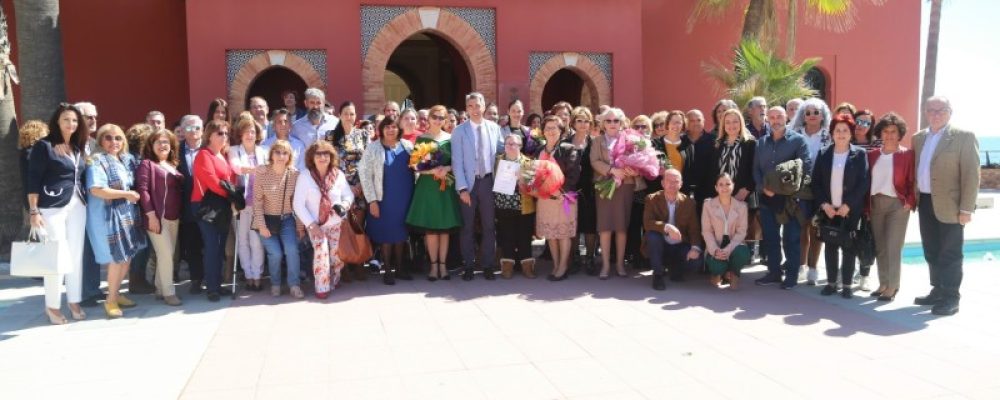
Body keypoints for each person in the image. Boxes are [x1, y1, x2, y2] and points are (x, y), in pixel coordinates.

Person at [912, 96, 980, 316]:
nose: (936, 114)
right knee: (931, 249)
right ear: (925, 112)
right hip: (924, 201)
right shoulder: (918, 138)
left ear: (950, 112)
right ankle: (938, 289)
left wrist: (966, 208)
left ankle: (951, 297)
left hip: (951, 205)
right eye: (931, 110)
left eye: (941, 110)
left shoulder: (964, 137)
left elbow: (972, 174)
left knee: (950, 253)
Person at [27, 104, 90, 324]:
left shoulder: (77, 146)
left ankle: (74, 301)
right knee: (56, 256)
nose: (71, 124)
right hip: (52, 206)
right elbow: (32, 178)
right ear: (57, 121)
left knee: (75, 255)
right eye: (66, 120)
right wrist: (34, 210)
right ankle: (52, 306)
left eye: (74, 120)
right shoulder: (43, 146)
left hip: (77, 205)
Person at [85, 124, 148, 318]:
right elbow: (96, 189)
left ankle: (117, 293)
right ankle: (110, 300)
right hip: (107, 217)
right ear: (101, 140)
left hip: (126, 215)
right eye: (108, 138)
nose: (114, 142)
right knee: (116, 259)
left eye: (118, 138)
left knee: (126, 258)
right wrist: (126, 194)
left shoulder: (125, 160)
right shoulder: (96, 161)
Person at [754, 106, 812, 289]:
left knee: (791, 238)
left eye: (779, 116)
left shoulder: (798, 141)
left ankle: (792, 275)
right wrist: (763, 188)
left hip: (790, 200)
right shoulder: (761, 143)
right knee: (770, 237)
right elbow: (755, 169)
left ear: (786, 117)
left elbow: (806, 168)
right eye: (771, 117)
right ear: (767, 120)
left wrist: (792, 192)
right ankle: (774, 272)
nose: (776, 120)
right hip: (767, 198)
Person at [812, 114, 869, 299]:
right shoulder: (823, 153)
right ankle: (830, 283)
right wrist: (824, 205)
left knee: (849, 247)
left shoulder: (859, 154)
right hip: (829, 209)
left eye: (845, 130)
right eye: (838, 130)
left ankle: (846, 285)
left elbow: (864, 182)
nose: (841, 134)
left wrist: (849, 205)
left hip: (849, 210)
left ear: (851, 133)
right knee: (830, 246)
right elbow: (816, 183)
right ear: (832, 133)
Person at [405, 105, 463, 281]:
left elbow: (458, 161)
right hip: (428, 188)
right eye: (435, 117)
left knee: (444, 229)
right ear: (428, 119)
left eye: (441, 118)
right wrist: (431, 171)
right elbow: (414, 165)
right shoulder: (421, 139)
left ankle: (443, 266)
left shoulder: (451, 139)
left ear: (445, 121)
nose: (438, 120)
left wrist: (446, 167)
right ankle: (433, 266)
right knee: (431, 230)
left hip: (445, 186)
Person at [452, 92, 504, 281]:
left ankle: (488, 265)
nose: (475, 109)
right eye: (470, 106)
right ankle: (468, 265)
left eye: (478, 105)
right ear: (467, 109)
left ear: (484, 107)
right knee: (467, 227)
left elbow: (502, 151)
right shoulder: (459, 131)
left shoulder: (494, 128)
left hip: (488, 183)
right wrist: (462, 188)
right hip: (469, 184)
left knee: (489, 226)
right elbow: (457, 162)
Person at [293, 141, 354, 298]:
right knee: (321, 252)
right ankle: (322, 288)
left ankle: (335, 277)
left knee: (336, 257)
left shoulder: (338, 174)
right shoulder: (305, 176)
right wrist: (312, 225)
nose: (322, 157)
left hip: (335, 224)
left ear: (331, 156)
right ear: (312, 158)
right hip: (315, 225)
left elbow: (348, 195)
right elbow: (298, 204)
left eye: (325, 153)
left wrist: (345, 205)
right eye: (318, 154)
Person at [359, 116, 415, 285]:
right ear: (381, 129)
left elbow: (417, 169)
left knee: (400, 234)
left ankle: (399, 268)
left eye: (394, 127)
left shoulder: (408, 146)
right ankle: (388, 269)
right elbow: (365, 175)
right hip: (384, 199)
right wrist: (372, 201)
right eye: (387, 127)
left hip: (404, 197)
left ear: (399, 129)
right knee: (386, 235)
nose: (391, 130)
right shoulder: (373, 148)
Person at [866, 112, 915, 302]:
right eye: (885, 131)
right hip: (876, 204)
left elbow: (912, 180)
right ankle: (883, 283)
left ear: (899, 133)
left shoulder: (907, 155)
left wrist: (910, 201)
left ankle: (893, 286)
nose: (889, 135)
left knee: (893, 246)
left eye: (893, 131)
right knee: (880, 247)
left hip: (897, 205)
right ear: (880, 133)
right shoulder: (872, 155)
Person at [591, 107, 645, 279]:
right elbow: (594, 161)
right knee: (605, 227)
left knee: (622, 227)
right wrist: (612, 170)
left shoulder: (630, 140)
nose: (612, 124)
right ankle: (606, 265)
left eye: (616, 121)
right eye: (609, 120)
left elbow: (638, 161)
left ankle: (620, 264)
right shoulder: (597, 141)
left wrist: (631, 170)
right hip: (604, 186)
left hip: (625, 186)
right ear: (603, 123)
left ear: (621, 123)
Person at [136, 129, 185, 306]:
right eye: (158, 142)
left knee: (167, 254)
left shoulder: (172, 164)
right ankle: (169, 292)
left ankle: (159, 287)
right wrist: (151, 215)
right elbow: (143, 190)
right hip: (157, 216)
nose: (162, 145)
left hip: (174, 216)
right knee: (165, 254)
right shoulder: (147, 164)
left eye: (166, 142)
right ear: (151, 145)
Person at [789, 97, 832, 285]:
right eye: (808, 113)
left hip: (822, 188)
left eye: (816, 112)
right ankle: (800, 266)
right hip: (801, 188)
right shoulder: (795, 134)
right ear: (803, 116)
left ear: (823, 115)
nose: (812, 115)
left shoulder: (830, 135)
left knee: (816, 229)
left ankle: (813, 269)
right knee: (801, 229)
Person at [253, 140, 304, 298]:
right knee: (275, 254)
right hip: (266, 220)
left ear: (289, 156)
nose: (281, 156)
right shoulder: (262, 174)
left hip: (287, 220)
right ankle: (275, 283)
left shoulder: (295, 174)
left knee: (292, 250)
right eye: (278, 152)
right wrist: (261, 226)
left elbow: (298, 202)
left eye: (285, 153)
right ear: (271, 154)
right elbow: (257, 203)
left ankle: (294, 285)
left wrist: (300, 226)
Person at [192, 120, 236, 302]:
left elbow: (229, 179)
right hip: (206, 206)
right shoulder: (203, 155)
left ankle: (216, 285)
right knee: (211, 247)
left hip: (222, 206)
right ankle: (211, 288)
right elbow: (212, 182)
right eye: (219, 133)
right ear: (209, 135)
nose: (224, 136)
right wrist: (232, 194)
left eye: (226, 133)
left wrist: (231, 194)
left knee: (219, 247)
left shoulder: (223, 156)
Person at [536, 116, 582, 280]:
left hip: (563, 198)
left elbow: (574, 173)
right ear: (543, 131)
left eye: (554, 128)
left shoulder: (568, 149)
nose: (550, 131)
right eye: (547, 128)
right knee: (551, 234)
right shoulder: (539, 150)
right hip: (545, 199)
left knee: (562, 234)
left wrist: (562, 191)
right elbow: (534, 174)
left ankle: (563, 266)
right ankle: (555, 265)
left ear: (561, 131)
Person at [644, 169, 703, 290]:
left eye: (676, 181)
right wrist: (666, 226)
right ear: (662, 183)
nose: (672, 184)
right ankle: (658, 275)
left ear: (681, 184)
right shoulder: (652, 199)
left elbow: (694, 229)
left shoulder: (689, 203)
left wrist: (695, 248)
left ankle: (676, 269)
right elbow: (647, 223)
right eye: (668, 181)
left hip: (680, 245)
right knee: (652, 236)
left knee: (696, 261)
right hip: (661, 245)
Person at [228, 118, 268, 291]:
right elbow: (236, 168)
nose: (250, 135)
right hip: (241, 204)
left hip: (259, 204)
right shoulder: (234, 150)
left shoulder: (263, 151)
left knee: (256, 242)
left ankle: (257, 275)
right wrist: (254, 170)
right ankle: (248, 274)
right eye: (246, 131)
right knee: (242, 240)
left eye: (252, 131)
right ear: (240, 134)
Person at [711, 109, 758, 248]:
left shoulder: (750, 143)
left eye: (735, 121)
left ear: (741, 123)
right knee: (722, 232)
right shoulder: (717, 144)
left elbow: (755, 169)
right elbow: (712, 172)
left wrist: (747, 189)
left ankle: (738, 262)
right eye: (728, 122)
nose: (731, 125)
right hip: (721, 195)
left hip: (742, 194)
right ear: (723, 125)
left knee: (739, 232)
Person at [494, 134, 537, 278]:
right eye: (508, 144)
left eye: (514, 144)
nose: (511, 146)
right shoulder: (498, 160)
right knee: (507, 236)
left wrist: (523, 180)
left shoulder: (528, 162)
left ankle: (527, 267)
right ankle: (507, 267)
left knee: (524, 237)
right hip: (503, 205)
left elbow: (534, 186)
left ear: (520, 146)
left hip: (523, 205)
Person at [702, 173, 750, 289]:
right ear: (716, 187)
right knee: (717, 265)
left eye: (728, 184)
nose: (724, 187)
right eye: (721, 184)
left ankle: (734, 273)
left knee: (743, 253)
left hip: (733, 242)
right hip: (716, 243)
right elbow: (706, 231)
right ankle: (718, 274)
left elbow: (741, 232)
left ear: (733, 186)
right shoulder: (708, 205)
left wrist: (728, 249)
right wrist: (714, 250)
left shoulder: (742, 206)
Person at [850, 108, 879, 290]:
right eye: (859, 121)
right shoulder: (846, 141)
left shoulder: (878, 145)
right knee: (848, 236)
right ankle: (847, 270)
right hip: (848, 198)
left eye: (866, 123)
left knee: (867, 236)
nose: (861, 126)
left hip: (869, 197)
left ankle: (864, 274)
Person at [177, 115, 206, 294]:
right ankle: (196, 279)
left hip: (210, 204)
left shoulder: (211, 149)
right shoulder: (175, 150)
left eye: (196, 127)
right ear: (182, 131)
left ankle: (212, 279)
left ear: (202, 130)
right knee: (192, 245)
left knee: (211, 244)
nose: (193, 131)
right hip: (187, 206)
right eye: (188, 128)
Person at [569, 107, 598, 274]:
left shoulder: (595, 142)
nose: (583, 124)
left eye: (586, 121)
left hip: (589, 189)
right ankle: (574, 258)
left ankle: (590, 258)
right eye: (579, 120)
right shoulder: (566, 141)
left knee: (589, 226)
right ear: (573, 122)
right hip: (571, 189)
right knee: (573, 225)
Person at [685, 109, 718, 216]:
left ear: (703, 121)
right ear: (686, 123)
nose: (696, 123)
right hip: (683, 190)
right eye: (692, 120)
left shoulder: (714, 141)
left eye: (698, 120)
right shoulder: (680, 141)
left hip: (707, 191)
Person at [18, 120, 48, 212]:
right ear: (36, 133)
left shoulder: (26, 151)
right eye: (45, 133)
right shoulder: (31, 152)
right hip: (37, 199)